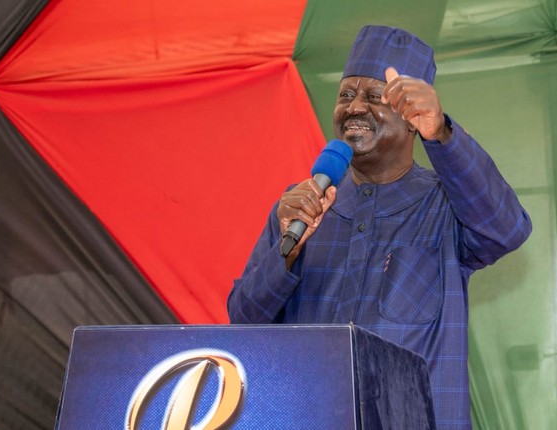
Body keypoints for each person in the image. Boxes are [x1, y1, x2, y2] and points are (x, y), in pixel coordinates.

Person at [227, 25, 532, 429]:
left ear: (411, 121)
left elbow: (506, 230)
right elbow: (243, 321)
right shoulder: (304, 206)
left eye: (374, 97)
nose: (354, 108)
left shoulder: (445, 206)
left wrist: (442, 134)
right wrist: (289, 251)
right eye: (345, 96)